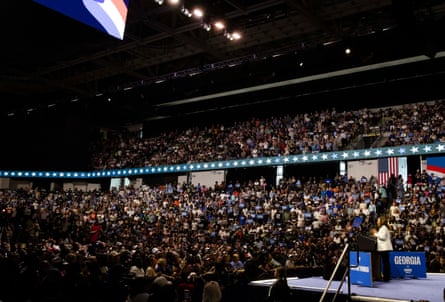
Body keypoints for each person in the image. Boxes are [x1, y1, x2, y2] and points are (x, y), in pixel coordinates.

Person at [372, 216, 393, 282]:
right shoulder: (383, 228)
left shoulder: (384, 228)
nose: (377, 222)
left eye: (378, 220)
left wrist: (375, 233)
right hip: (383, 248)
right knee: (385, 263)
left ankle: (386, 277)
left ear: (381, 221)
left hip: (384, 248)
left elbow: (383, 237)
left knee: (386, 263)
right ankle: (386, 277)